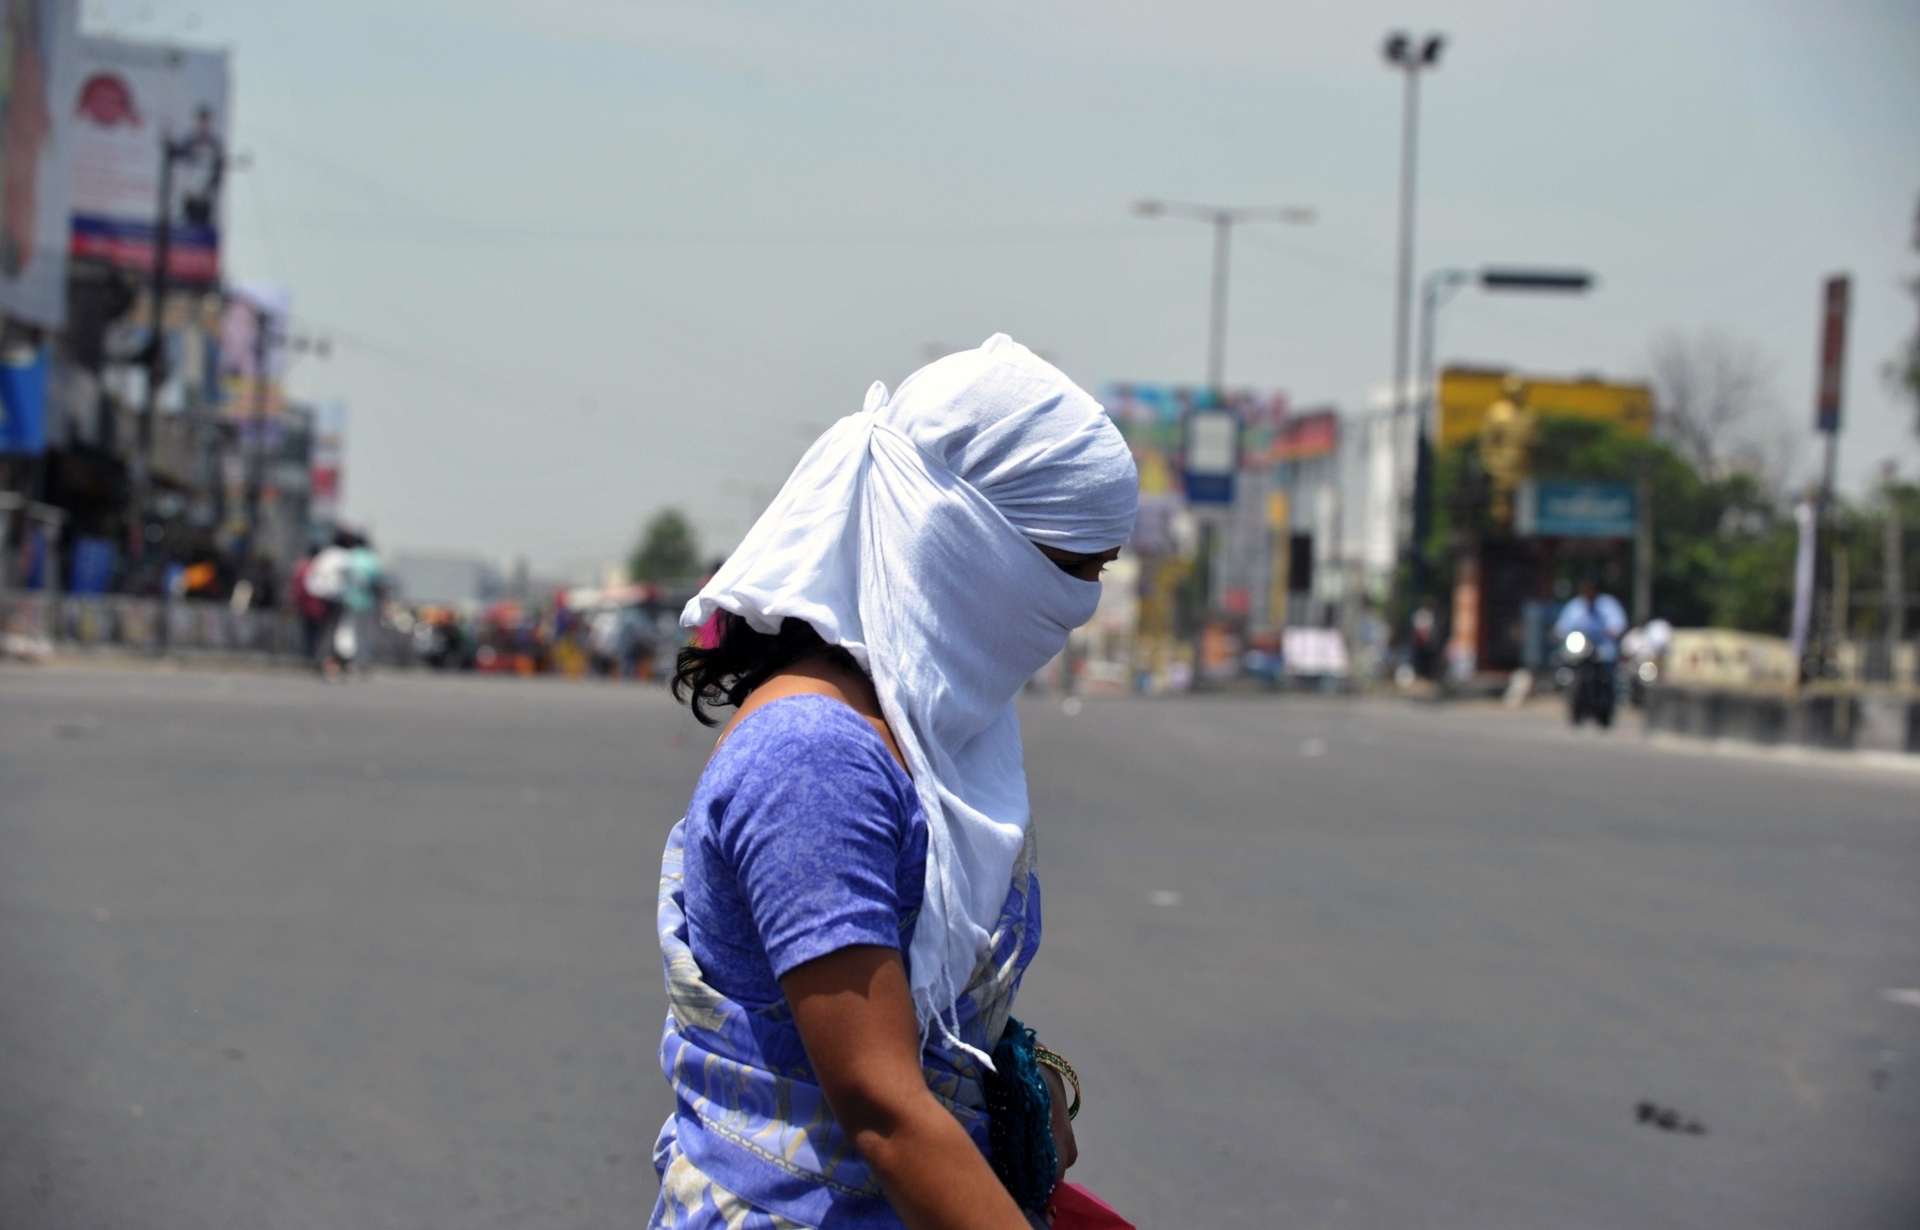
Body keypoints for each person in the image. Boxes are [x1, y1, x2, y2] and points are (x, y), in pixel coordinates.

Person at [651, 335, 1135, 1230]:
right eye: (1069, 572)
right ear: (963, 547)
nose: (1077, 611)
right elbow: (883, 1109)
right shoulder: (813, 759)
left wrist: (1012, 1080)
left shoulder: (930, 733)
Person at [1552, 576, 1628, 662]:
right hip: (1579, 650)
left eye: (1590, 588)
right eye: (1585, 588)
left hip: (1603, 650)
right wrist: (1558, 634)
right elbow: (1562, 628)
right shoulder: (1574, 606)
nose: (1588, 591)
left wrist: (1609, 632)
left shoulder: (1607, 604)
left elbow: (1617, 626)